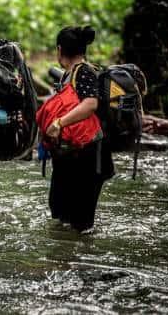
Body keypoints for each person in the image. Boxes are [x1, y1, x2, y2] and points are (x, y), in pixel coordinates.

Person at [43, 26, 114, 234]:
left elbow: (90, 104)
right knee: (62, 213)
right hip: (74, 154)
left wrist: (59, 123)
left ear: (59, 49)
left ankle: (80, 261)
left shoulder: (83, 72)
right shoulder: (71, 74)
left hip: (89, 156)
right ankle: (68, 256)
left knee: (81, 223)